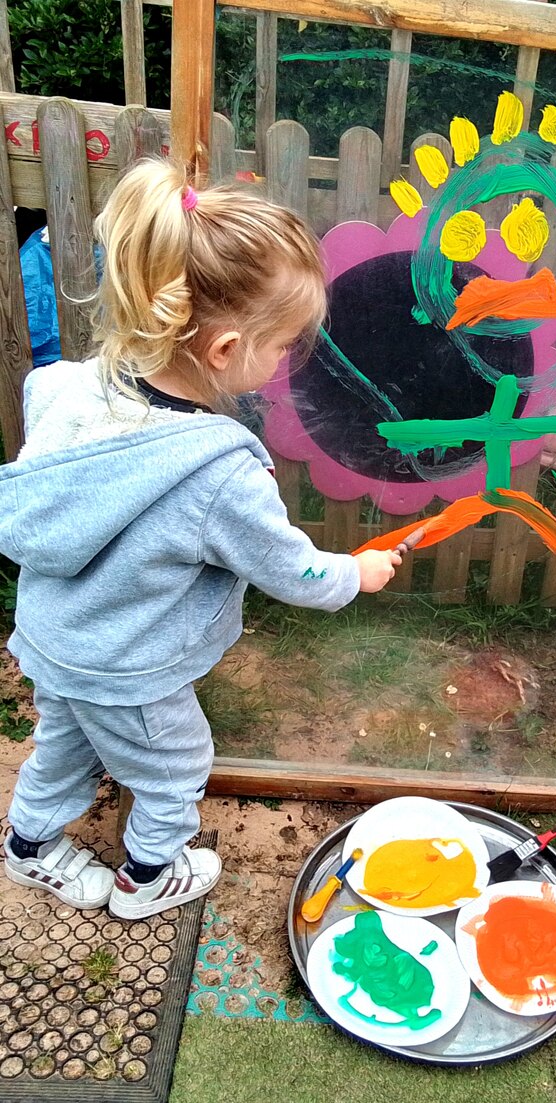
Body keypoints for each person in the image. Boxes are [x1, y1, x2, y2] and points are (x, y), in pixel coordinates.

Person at [0, 161, 401, 920]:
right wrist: (358, 572)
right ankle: (150, 873)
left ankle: (29, 848)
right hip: (127, 668)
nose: (284, 360)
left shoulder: (72, 391)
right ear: (223, 352)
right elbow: (294, 571)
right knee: (176, 763)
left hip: (54, 641)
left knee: (66, 745)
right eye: (281, 344)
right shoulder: (214, 473)